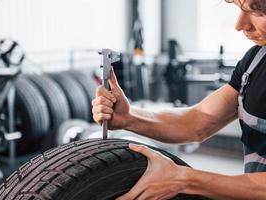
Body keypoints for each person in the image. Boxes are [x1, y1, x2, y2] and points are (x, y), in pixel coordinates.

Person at [92, 0, 266, 199]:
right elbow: (198, 121)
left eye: (257, 12)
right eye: (239, 9)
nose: (240, 24)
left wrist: (185, 179)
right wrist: (129, 118)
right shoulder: (255, 60)